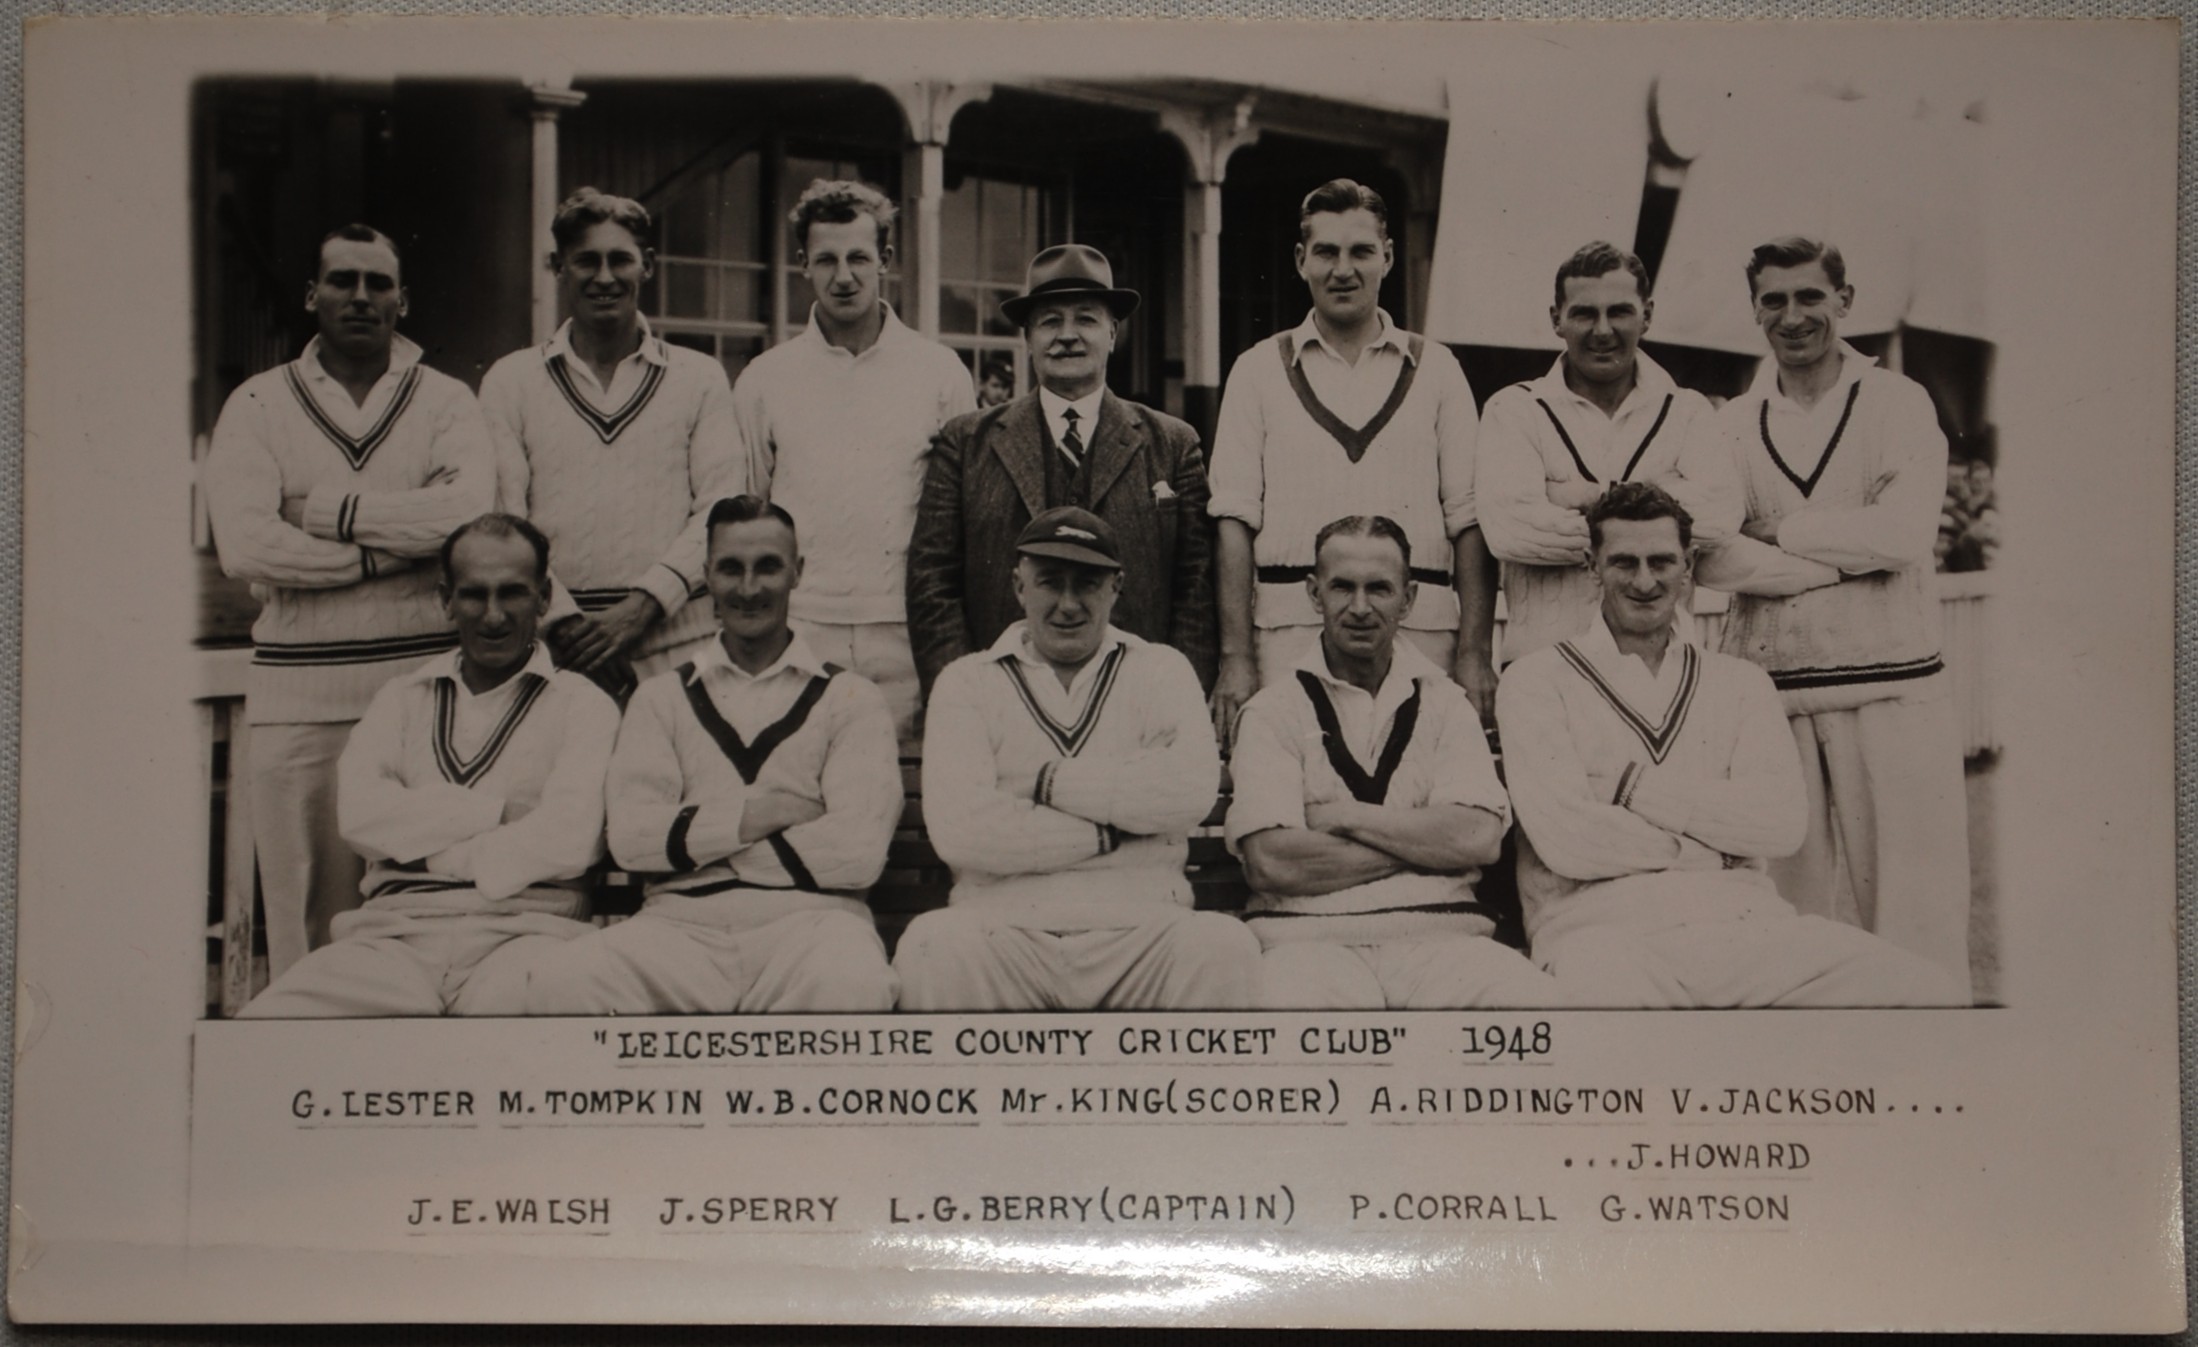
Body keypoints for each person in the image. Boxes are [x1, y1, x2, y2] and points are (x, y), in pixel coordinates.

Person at [1498, 483, 1964, 1008]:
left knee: (1925, 992)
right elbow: (1569, 844)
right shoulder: (1537, 679)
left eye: (1662, 561)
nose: (1645, 581)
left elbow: (1782, 826)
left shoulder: (1740, 682)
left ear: (1689, 566)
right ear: (1591, 565)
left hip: (1745, 924)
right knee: (1619, 1030)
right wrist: (1713, 845)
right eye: (1624, 562)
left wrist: (1633, 788)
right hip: (1603, 933)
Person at [203, 223, 498, 978]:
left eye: (377, 282)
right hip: (297, 698)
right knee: (306, 921)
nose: (360, 297)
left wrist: (329, 515)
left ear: (404, 300)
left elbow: (467, 515)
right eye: (343, 280)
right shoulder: (259, 403)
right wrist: (393, 549)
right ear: (312, 296)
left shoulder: (445, 399)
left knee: (422, 906)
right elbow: (246, 546)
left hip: (422, 691)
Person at [1693, 237, 1972, 982]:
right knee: (1780, 915)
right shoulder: (1731, 423)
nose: (1793, 316)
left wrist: (1781, 532)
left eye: (1810, 296)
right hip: (1771, 690)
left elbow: (1905, 533)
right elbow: (1713, 553)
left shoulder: (1898, 402)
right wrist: (1836, 560)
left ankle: (1934, 1065)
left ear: (1845, 301)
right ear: (1754, 311)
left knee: (1917, 913)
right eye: (1774, 300)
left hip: (1894, 686)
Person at [522, 496, 901, 1015]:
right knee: (563, 981)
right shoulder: (660, 698)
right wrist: (756, 816)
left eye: (768, 566)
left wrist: (692, 847)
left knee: (852, 981)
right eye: (730, 568)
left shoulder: (850, 698)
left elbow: (856, 855)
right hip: (677, 930)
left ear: (798, 572)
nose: (749, 588)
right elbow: (632, 842)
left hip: (812, 928)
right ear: (706, 577)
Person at [240, 515, 618, 1016]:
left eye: (513, 593)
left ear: (545, 598)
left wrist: (426, 851)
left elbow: (569, 838)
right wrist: (499, 814)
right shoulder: (401, 699)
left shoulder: (582, 705)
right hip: (391, 941)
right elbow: (360, 816)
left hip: (528, 938)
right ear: (445, 599)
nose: (493, 616)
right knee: (268, 1028)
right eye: (473, 595)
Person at [896, 507, 1259, 1011]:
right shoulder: (968, 680)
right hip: (1004, 929)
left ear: (1117, 587)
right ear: (1019, 586)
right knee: (930, 946)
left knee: (1223, 946)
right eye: (1050, 582)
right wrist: (1116, 829)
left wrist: (1045, 783)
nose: (1068, 604)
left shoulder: (1161, 669)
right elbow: (962, 831)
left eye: (1087, 584)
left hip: (1143, 929)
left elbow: (1189, 792)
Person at [1226, 516, 1556, 1009]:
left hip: (1445, 944)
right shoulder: (1273, 711)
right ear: (1315, 595)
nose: (1360, 608)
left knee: (1537, 1009)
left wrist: (1346, 817)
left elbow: (1478, 838)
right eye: (1342, 587)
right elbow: (1272, 862)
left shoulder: (1447, 704)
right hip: (1309, 947)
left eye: (1379, 588)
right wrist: (1425, 845)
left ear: (1409, 598)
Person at [1206, 179, 1487, 744]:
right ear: (1300, 260)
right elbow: (1234, 521)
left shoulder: (1437, 370)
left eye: (1360, 252)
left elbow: (1470, 519)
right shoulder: (1257, 369)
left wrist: (1476, 652)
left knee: (1416, 791)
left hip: (1422, 628)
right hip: (1289, 631)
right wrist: (1236, 657)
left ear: (1387, 256)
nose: (1343, 270)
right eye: (1326, 252)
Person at [906, 244, 1216, 698]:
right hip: (1001, 701)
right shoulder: (966, 442)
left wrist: (1172, 699)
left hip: (1135, 703)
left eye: (1086, 319)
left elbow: (1198, 589)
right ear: (1027, 337)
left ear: (1113, 334)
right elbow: (932, 581)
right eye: (1050, 321)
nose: (1067, 335)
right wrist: (966, 697)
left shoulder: (1172, 443)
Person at [731, 180, 977, 745]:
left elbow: (961, 518)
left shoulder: (939, 372)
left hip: (906, 634)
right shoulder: (765, 379)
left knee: (900, 805)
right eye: (827, 260)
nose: (844, 276)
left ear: (885, 261)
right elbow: (749, 514)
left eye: (859, 258)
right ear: (803, 266)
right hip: (800, 631)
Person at [480, 187, 747, 692]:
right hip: (559, 652)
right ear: (559, 267)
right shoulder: (510, 381)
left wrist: (642, 608)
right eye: (586, 261)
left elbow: (719, 510)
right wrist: (563, 623)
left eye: (620, 260)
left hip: (679, 648)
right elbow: (505, 522)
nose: (604, 277)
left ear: (646, 265)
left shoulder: (699, 377)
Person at [1476, 241, 1740, 666]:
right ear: (1556, 320)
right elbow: (1510, 531)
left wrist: (1572, 499)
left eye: (1619, 311)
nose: (1602, 331)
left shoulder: (1687, 410)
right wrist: (1660, 500)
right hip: (1544, 664)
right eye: (1584, 313)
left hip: (1663, 664)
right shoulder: (1515, 409)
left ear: (1647, 315)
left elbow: (1722, 519)